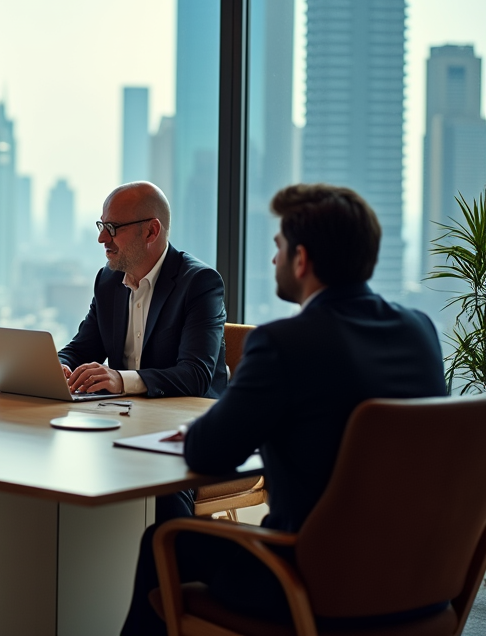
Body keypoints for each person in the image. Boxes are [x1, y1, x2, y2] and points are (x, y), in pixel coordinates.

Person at [121, 184, 448, 635]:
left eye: (278, 247)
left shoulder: (282, 344)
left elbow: (206, 454)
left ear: (302, 259)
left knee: (164, 542)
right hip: (422, 582)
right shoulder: (420, 331)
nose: (274, 259)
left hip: (310, 583)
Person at [59, 181, 228, 401]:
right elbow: (81, 350)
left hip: (187, 421)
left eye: (113, 228)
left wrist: (121, 380)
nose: (102, 239)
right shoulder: (108, 280)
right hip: (126, 414)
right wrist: (60, 366)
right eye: (102, 226)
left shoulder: (199, 283)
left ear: (151, 231)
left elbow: (195, 375)